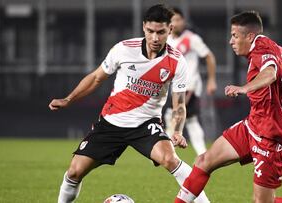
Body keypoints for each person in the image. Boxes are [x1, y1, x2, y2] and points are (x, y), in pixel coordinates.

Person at [49, 4, 210, 203]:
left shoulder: (177, 61)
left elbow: (178, 105)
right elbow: (96, 78)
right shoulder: (124, 49)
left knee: (170, 159)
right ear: (144, 27)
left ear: (170, 29)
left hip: (146, 124)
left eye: (160, 32)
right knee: (74, 172)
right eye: (150, 31)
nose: (154, 38)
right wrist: (69, 99)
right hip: (111, 123)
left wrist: (177, 131)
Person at [174, 11, 282, 203]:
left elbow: (270, 73)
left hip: (272, 135)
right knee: (204, 161)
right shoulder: (275, 48)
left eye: (234, 36)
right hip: (253, 125)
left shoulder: (260, 49)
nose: (231, 41)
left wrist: (244, 88)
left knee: (263, 202)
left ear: (250, 36)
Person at [164, 7, 217, 155]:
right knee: (182, 117)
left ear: (184, 21)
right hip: (172, 85)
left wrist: (211, 80)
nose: (176, 23)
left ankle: (169, 152)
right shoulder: (166, 40)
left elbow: (209, 56)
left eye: (179, 19)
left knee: (180, 116)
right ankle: (200, 154)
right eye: (173, 20)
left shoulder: (192, 38)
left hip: (190, 85)